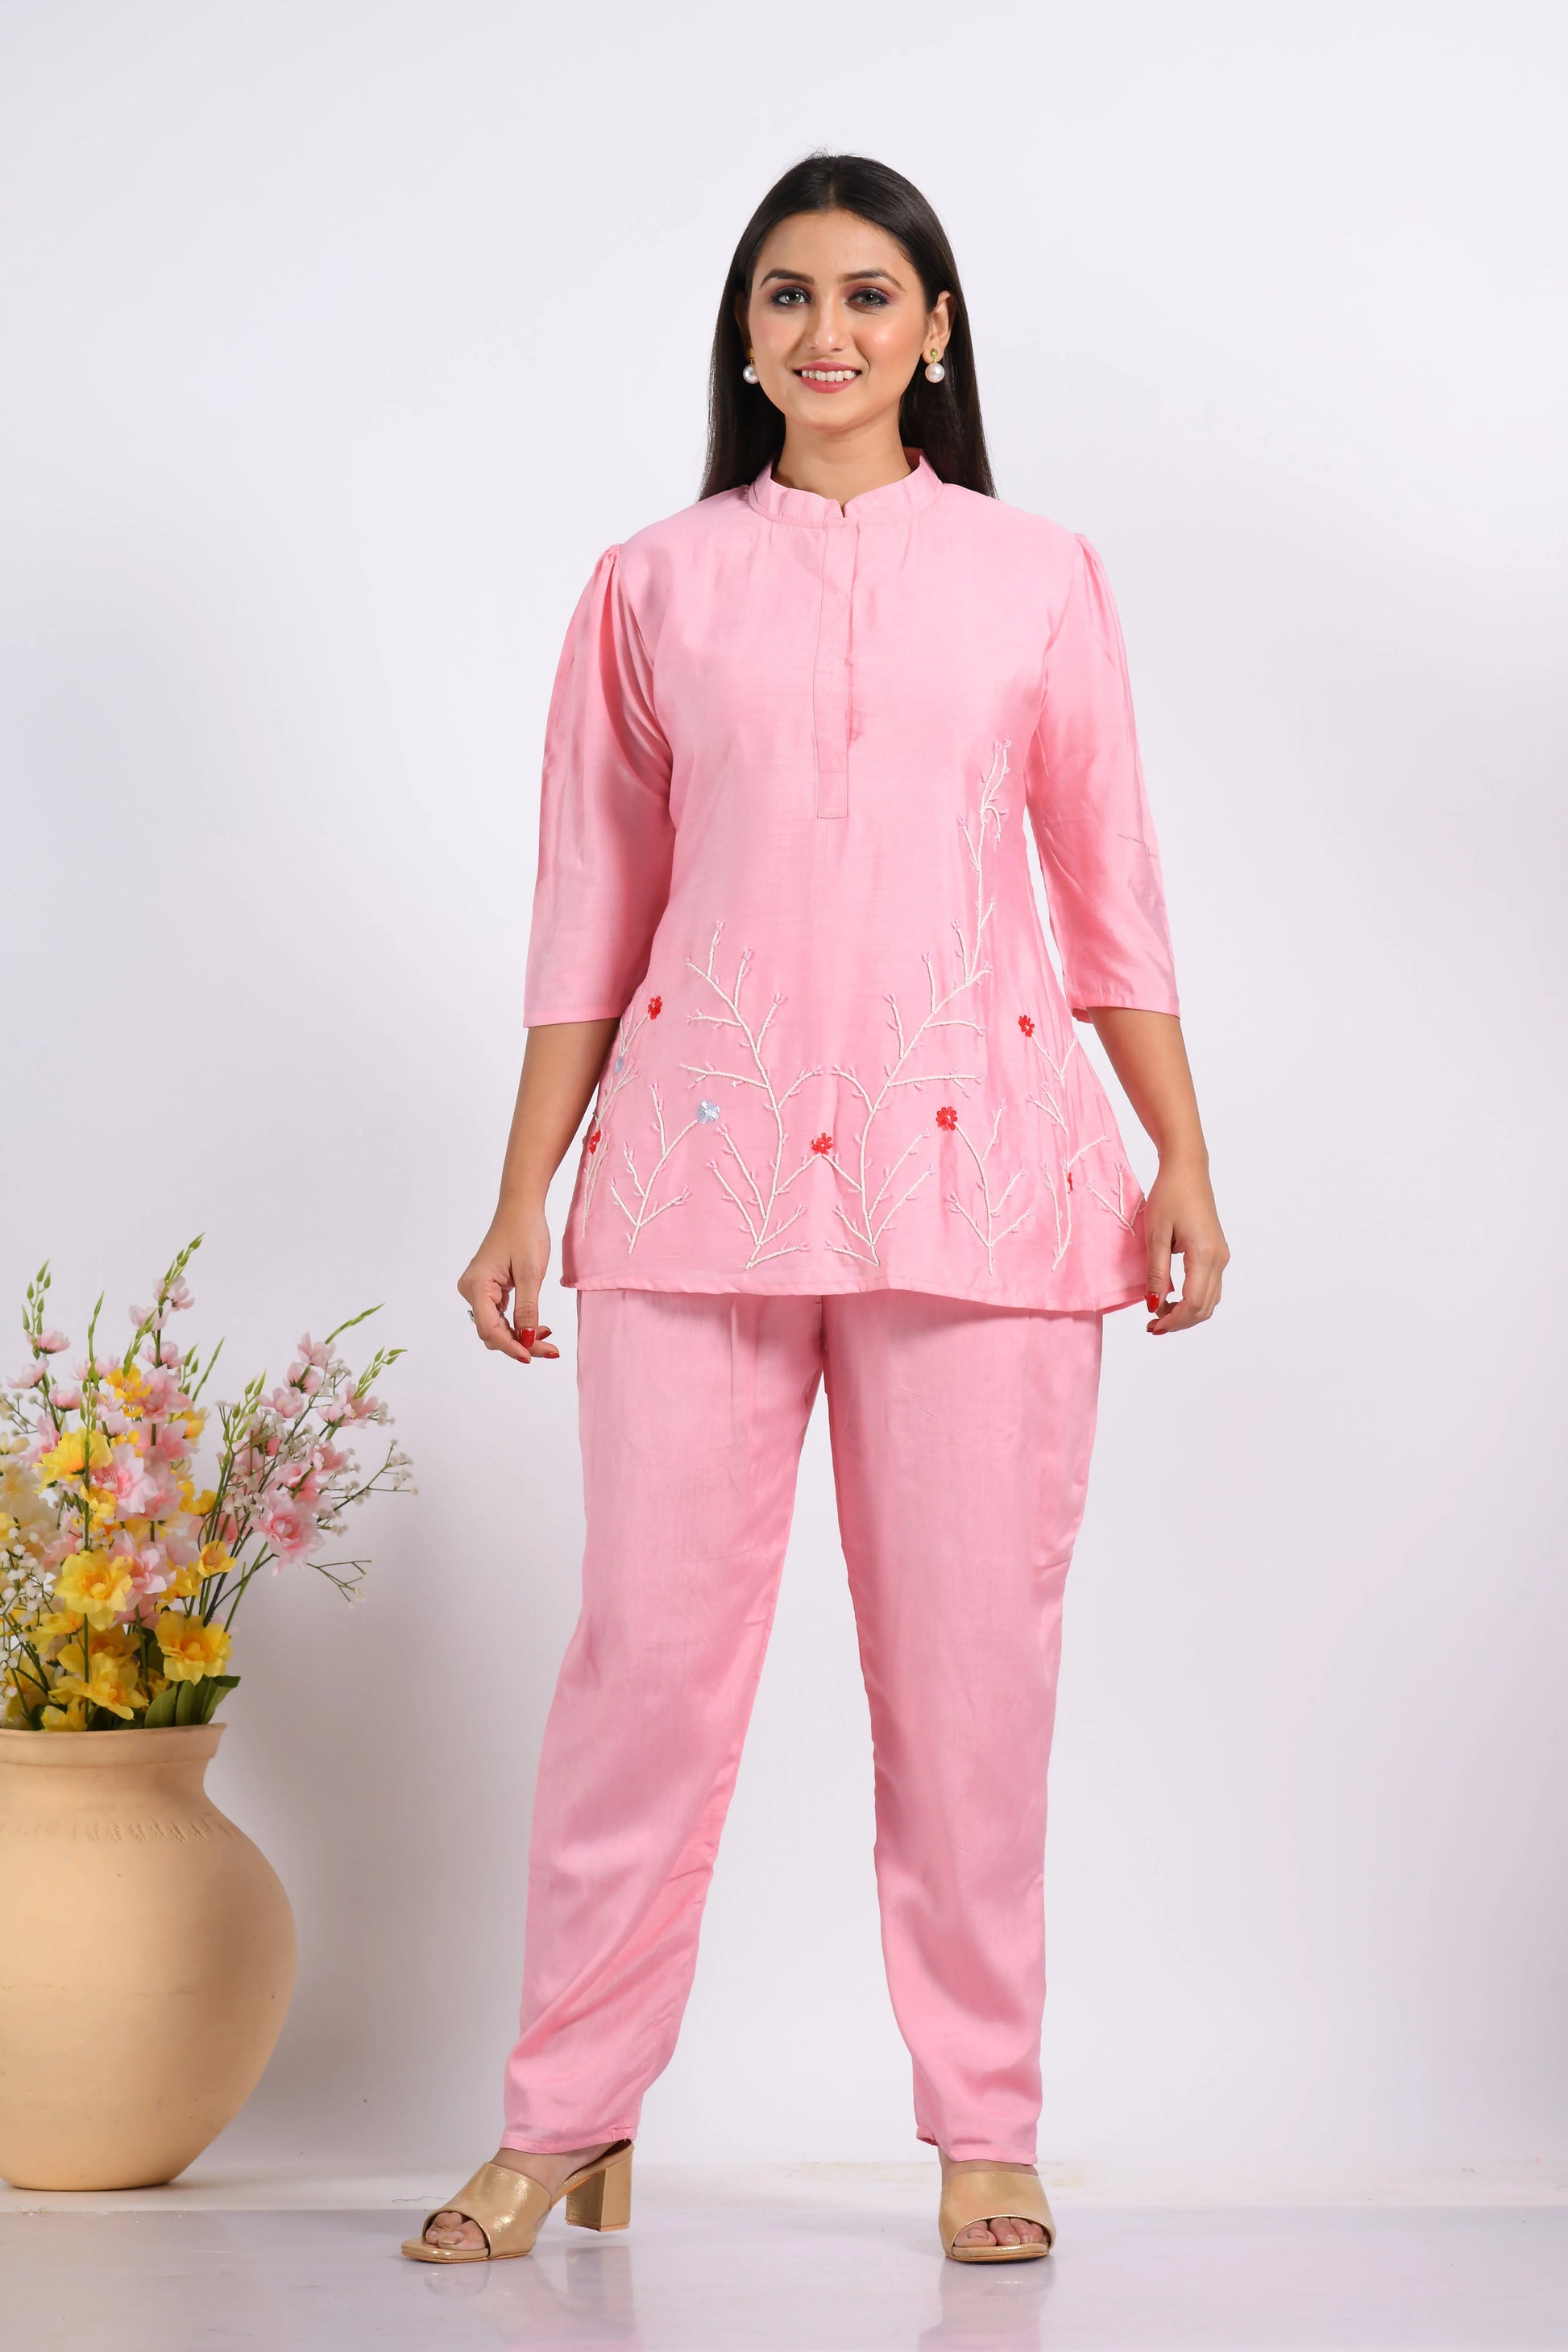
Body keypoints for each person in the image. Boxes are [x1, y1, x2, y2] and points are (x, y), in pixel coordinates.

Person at [404, 151, 1228, 2271]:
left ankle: (984, 2127)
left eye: (870, 294)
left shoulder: (1037, 576)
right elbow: (588, 911)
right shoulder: (651, 585)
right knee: (646, 1676)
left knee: (971, 1685)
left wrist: (1181, 1156)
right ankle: (563, 2115)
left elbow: (1110, 890)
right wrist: (521, 1195)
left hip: (988, 1189)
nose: (828, 331)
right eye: (787, 295)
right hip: (696, 1179)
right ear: (745, 334)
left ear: (935, 331)